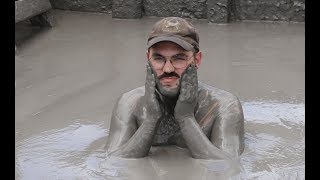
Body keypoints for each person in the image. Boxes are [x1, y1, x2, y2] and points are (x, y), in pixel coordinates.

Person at [104, 17, 244, 160]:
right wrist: (151, 119)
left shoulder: (224, 106)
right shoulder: (129, 103)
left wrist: (186, 118)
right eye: (159, 58)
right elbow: (113, 161)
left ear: (197, 60)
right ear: (148, 58)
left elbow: (229, 164)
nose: (168, 68)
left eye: (179, 58)